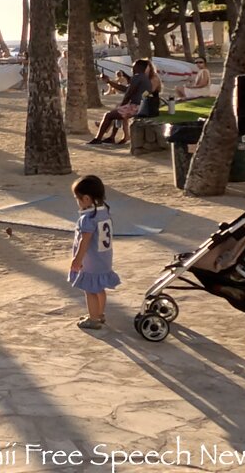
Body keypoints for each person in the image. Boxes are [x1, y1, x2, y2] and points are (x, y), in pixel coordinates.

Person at [68, 175, 121, 330]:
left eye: (77, 198)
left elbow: (85, 241)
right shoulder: (104, 212)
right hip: (104, 258)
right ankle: (99, 314)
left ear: (86, 198)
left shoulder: (87, 218)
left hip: (91, 261)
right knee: (100, 288)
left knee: (90, 290)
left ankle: (93, 319)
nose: (77, 202)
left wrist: (77, 259)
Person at [89, 59, 153, 145]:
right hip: (142, 106)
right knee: (116, 113)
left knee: (108, 115)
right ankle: (111, 137)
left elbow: (128, 93)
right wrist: (109, 82)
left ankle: (98, 138)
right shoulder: (144, 78)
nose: (132, 69)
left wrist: (122, 105)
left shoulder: (137, 77)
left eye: (133, 67)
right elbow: (126, 89)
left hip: (136, 107)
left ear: (138, 67)